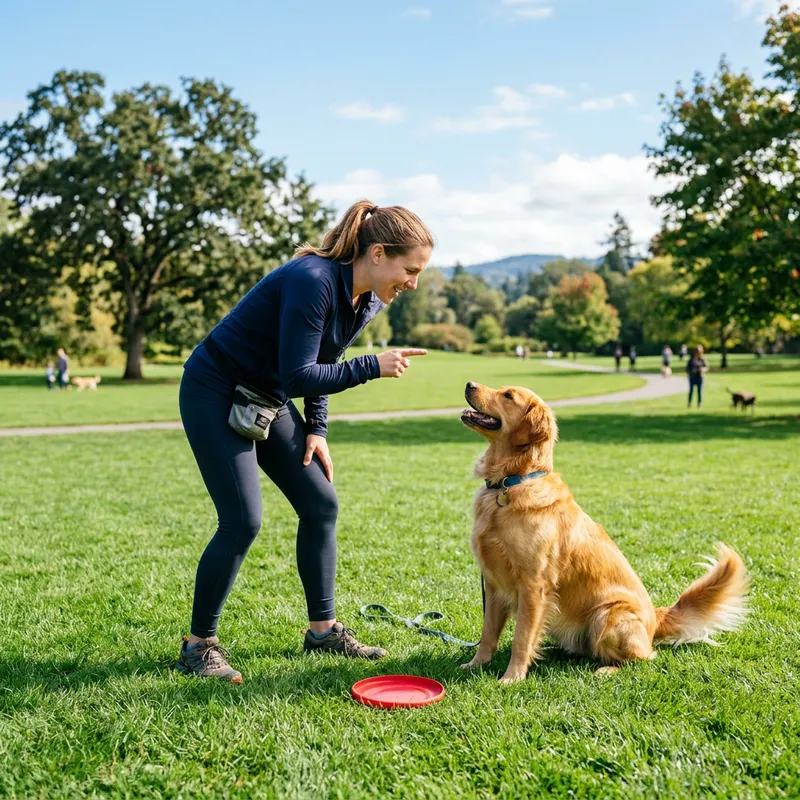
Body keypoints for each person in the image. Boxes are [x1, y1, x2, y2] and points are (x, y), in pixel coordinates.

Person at [177, 200, 434, 682]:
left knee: (320, 503)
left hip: (266, 396)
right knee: (242, 520)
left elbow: (323, 357)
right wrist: (371, 366)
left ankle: (322, 631)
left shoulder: (367, 299)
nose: (413, 283)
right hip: (215, 387)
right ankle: (197, 647)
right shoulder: (312, 279)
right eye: (410, 269)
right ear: (377, 254)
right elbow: (300, 373)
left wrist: (317, 429)